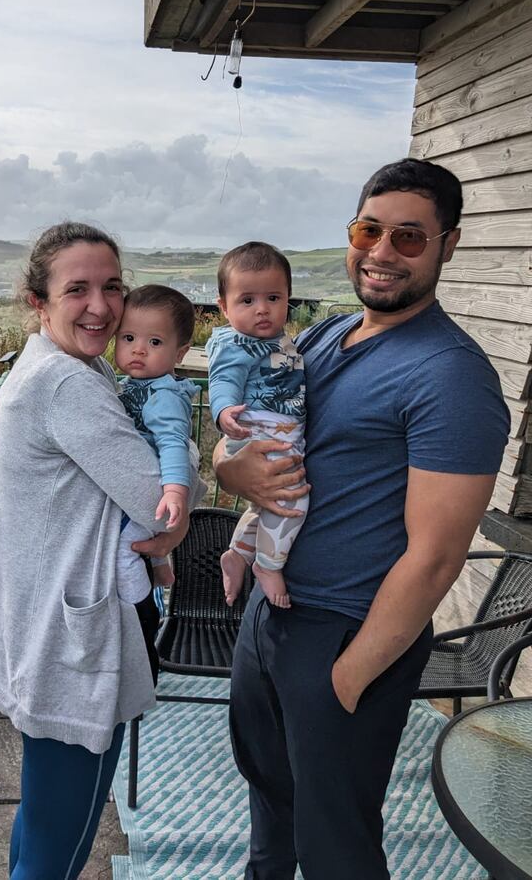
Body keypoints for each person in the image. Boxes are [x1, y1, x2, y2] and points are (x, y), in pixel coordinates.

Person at [214, 159, 510, 880]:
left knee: (336, 847)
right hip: (271, 615)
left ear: (448, 244)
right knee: (271, 811)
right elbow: (254, 438)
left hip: (345, 634)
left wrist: (348, 677)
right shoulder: (325, 335)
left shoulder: (450, 375)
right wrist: (226, 470)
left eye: (409, 237)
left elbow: (437, 557)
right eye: (367, 230)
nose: (381, 252)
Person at [0, 222, 203, 880]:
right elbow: (161, 501)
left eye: (113, 287)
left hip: (42, 620)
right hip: (70, 641)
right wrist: (194, 459)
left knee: (42, 820)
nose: (101, 306)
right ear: (39, 301)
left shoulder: (55, 366)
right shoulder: (68, 384)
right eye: (77, 289)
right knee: (64, 834)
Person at [206, 242, 308, 608]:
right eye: (247, 300)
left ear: (288, 299)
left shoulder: (281, 341)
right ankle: (268, 564)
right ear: (224, 307)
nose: (262, 309)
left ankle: (238, 554)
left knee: (265, 505)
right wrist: (223, 412)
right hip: (259, 434)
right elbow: (222, 381)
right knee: (293, 499)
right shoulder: (237, 345)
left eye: (273, 298)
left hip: (278, 435)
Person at [113, 284, 204, 600]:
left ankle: (136, 598)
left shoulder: (163, 396)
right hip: (151, 482)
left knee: (125, 545)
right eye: (128, 338)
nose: (138, 349)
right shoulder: (138, 384)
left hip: (157, 489)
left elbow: (174, 443)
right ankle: (161, 567)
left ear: (179, 353)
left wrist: (175, 491)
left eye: (154, 342)